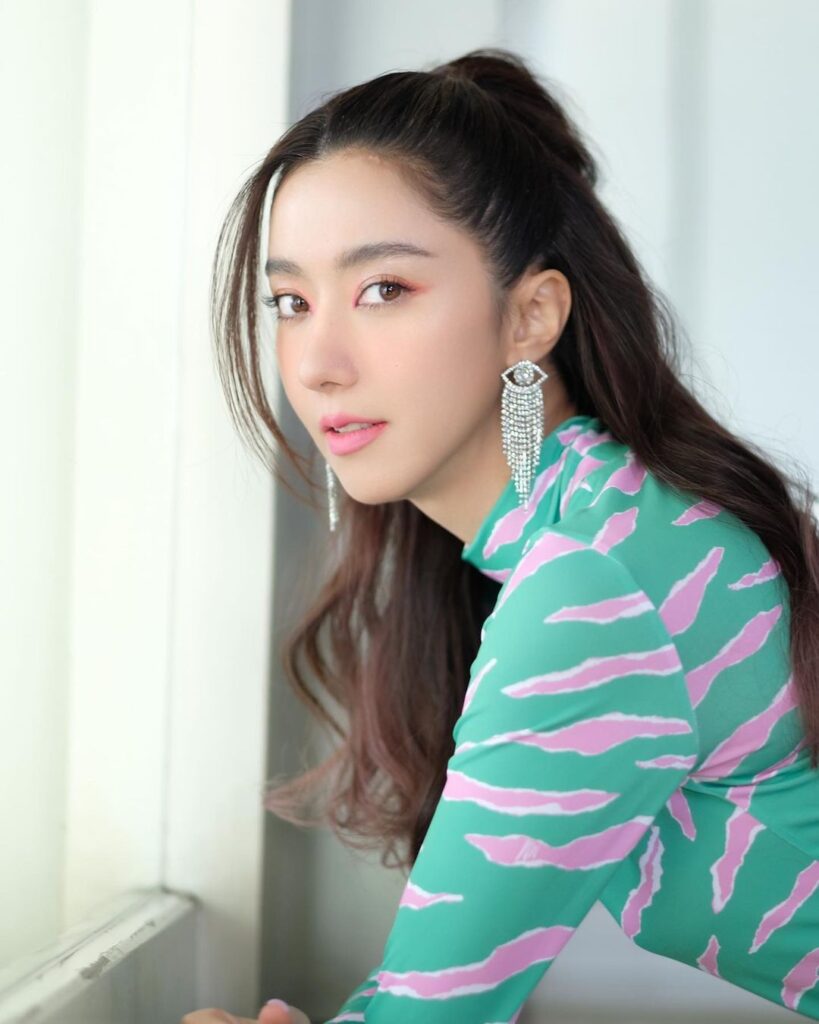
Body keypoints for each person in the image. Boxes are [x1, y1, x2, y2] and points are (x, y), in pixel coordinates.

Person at [196, 47, 819, 1023]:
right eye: (291, 302)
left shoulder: (599, 581)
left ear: (531, 316)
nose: (316, 362)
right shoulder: (596, 527)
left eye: (383, 289)